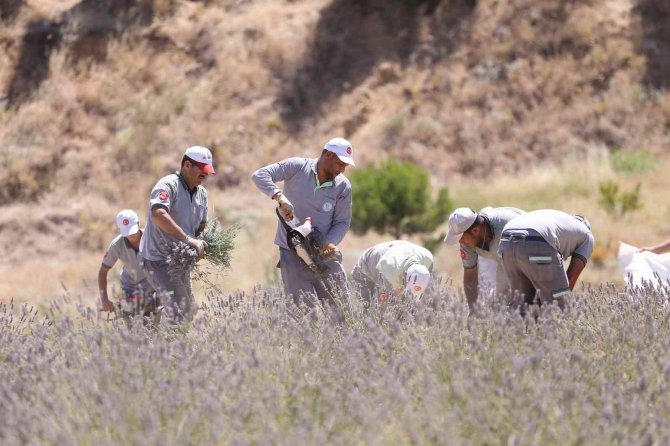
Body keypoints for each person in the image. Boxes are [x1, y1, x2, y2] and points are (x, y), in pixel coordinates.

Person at [251, 137, 354, 308]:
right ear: (328, 155)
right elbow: (260, 175)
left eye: (346, 165)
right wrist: (279, 196)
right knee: (302, 315)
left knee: (342, 310)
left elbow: (342, 222)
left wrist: (329, 244)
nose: (343, 169)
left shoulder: (343, 187)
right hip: (291, 254)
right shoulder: (296, 167)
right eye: (341, 163)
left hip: (324, 255)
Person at [139, 146, 213, 324]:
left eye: (207, 172)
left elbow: (201, 224)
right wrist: (188, 240)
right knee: (180, 310)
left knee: (189, 310)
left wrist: (200, 242)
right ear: (187, 165)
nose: (205, 176)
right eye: (201, 171)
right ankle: (171, 348)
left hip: (180, 260)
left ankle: (150, 327)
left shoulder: (201, 193)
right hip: (158, 260)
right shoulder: (168, 185)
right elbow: (158, 214)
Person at [497, 209, 594, 311]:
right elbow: (571, 276)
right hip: (537, 240)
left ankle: (509, 326)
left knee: (521, 305)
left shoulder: (560, 220)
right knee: (557, 306)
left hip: (506, 241)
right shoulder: (587, 235)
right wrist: (557, 297)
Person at [443, 207, 525, 310]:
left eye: (461, 238)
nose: (461, 242)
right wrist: (473, 310)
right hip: (504, 262)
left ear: (475, 230)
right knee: (501, 304)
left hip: (528, 256)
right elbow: (470, 276)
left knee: (527, 300)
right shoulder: (467, 244)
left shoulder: (508, 226)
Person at [99, 209, 155, 317]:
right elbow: (102, 272)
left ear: (138, 224)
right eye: (127, 233)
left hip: (152, 285)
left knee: (153, 321)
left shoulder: (152, 239)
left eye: (133, 231)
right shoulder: (116, 245)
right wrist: (104, 299)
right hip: (130, 287)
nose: (132, 236)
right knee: (131, 323)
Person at [352, 240, 433, 305]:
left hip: (393, 252)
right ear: (404, 277)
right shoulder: (389, 271)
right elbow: (382, 305)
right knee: (365, 307)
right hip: (366, 266)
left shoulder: (427, 260)